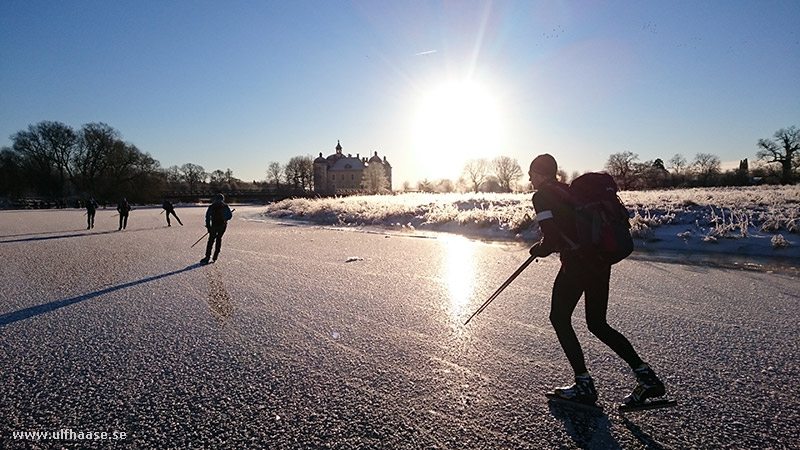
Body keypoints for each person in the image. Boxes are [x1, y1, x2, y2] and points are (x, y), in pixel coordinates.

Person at [527, 153, 665, 407]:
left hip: (578, 265)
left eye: (531, 173)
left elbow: (553, 239)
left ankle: (583, 384)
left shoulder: (542, 196)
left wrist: (539, 249)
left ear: (541, 173)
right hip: (600, 263)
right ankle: (647, 378)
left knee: (559, 317)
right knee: (598, 324)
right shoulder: (569, 191)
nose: (529, 178)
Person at [201, 194, 233, 264]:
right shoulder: (225, 206)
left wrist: (208, 226)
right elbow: (230, 216)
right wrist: (225, 218)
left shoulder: (212, 207)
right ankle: (215, 256)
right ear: (222, 199)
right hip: (222, 225)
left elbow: (207, 217)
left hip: (214, 225)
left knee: (211, 241)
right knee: (219, 239)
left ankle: (207, 257)